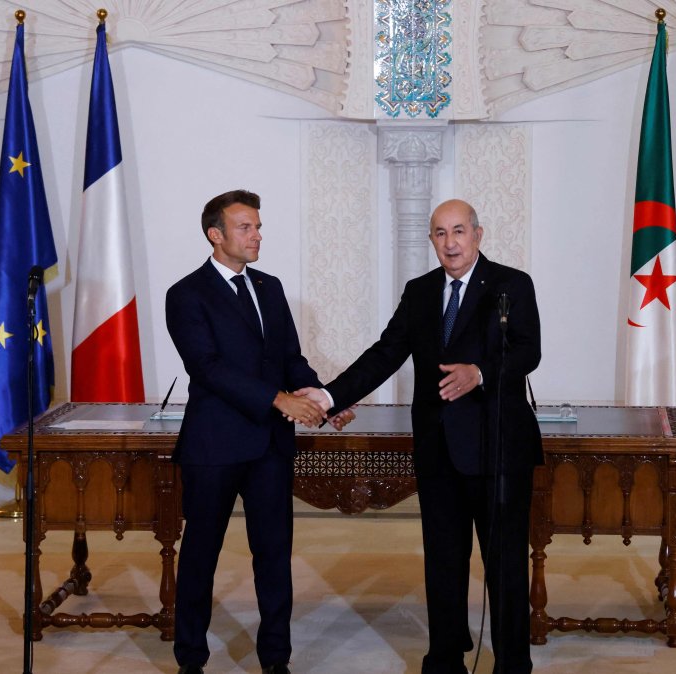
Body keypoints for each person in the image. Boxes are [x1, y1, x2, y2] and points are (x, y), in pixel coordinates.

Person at [298, 199, 543, 673]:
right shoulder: (420, 291)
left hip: (497, 449)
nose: (450, 243)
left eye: (458, 232)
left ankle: (513, 663)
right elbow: (384, 354)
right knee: (444, 563)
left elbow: (529, 350)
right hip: (439, 451)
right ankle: (446, 658)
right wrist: (329, 397)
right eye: (440, 234)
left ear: (478, 234)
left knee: (506, 565)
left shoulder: (511, 285)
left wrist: (481, 372)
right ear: (431, 240)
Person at [166, 189, 350, 674]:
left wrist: (321, 399)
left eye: (258, 227)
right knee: (201, 555)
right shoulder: (185, 294)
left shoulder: (269, 286)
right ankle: (190, 659)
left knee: (274, 555)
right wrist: (278, 399)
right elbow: (207, 367)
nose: (257, 235)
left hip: (269, 445)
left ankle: (275, 659)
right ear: (216, 234)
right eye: (246, 227)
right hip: (214, 445)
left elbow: (289, 358)